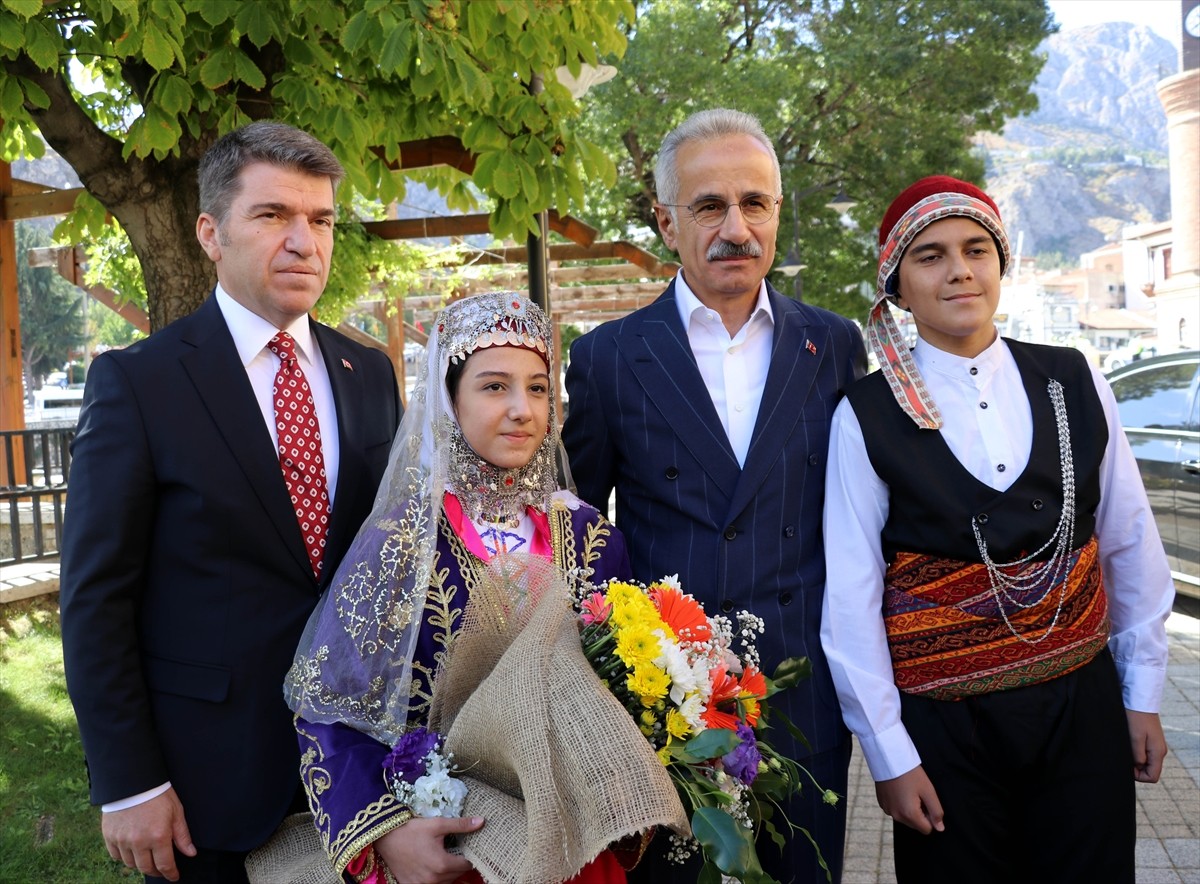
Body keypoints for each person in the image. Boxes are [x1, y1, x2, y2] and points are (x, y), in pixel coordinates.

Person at [59, 121, 402, 883]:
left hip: (361, 769)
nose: (304, 242)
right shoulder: (140, 383)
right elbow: (95, 598)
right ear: (210, 233)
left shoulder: (369, 373)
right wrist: (129, 782)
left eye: (321, 220)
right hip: (203, 784)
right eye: (273, 215)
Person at [820, 175, 1174, 883]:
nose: (959, 270)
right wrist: (891, 755)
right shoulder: (865, 414)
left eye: (976, 250)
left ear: (1000, 264)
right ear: (897, 287)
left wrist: (1143, 696)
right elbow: (852, 597)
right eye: (931, 256)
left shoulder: (1074, 379)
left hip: (1083, 708)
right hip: (946, 728)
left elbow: (1130, 541)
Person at [563, 108, 867, 884]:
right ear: (666, 222)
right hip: (662, 708)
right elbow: (577, 536)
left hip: (803, 704)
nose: (737, 228)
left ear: (777, 212)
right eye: (709, 206)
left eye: (754, 203)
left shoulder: (834, 344)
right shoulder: (607, 358)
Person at [284, 292, 640, 884]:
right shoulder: (402, 540)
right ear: (449, 401)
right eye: (494, 386)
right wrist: (389, 835)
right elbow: (331, 709)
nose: (522, 409)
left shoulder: (593, 538)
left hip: (576, 845)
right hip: (450, 846)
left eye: (538, 388)